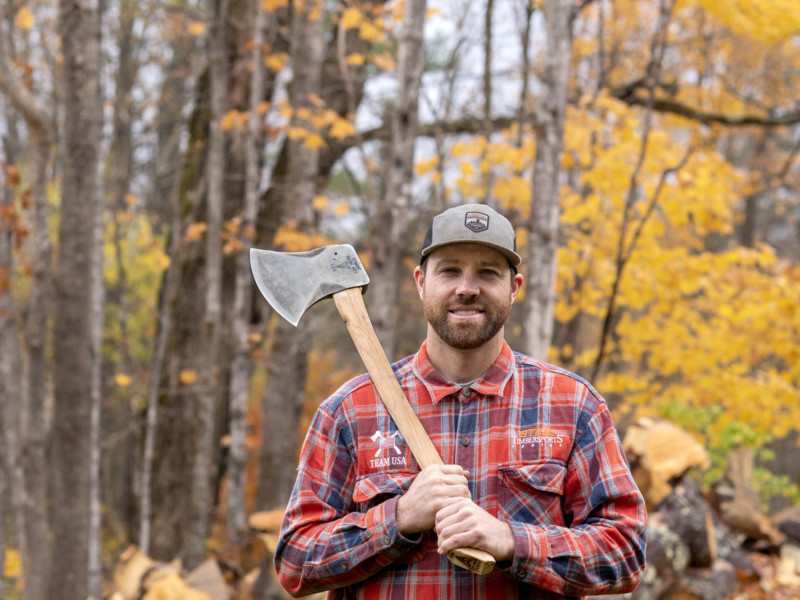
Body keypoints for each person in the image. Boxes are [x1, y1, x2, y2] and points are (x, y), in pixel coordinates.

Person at [274, 203, 647, 599]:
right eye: (450, 270)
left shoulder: (572, 406)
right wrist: (398, 518)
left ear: (514, 288)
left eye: (487, 272)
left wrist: (511, 542)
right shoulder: (350, 411)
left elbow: (626, 551)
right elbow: (295, 563)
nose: (467, 288)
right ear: (420, 282)